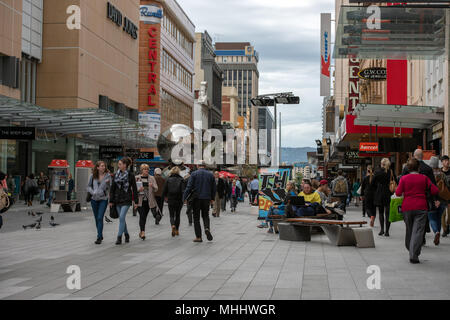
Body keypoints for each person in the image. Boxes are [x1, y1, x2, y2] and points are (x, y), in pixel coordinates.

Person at [396, 158, 439, 263]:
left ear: (408, 168)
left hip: (407, 207)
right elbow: (435, 190)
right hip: (421, 207)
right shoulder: (424, 178)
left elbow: (397, 193)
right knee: (418, 231)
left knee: (409, 230)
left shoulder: (404, 178)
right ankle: (414, 254)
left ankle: (410, 248)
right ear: (419, 168)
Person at [402, 149, 437, 245]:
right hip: (424, 198)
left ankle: (412, 242)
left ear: (414, 156)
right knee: (422, 219)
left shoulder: (406, 168)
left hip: (409, 200)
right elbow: (433, 185)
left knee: (411, 221)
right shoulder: (428, 169)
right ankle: (422, 237)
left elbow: (400, 184)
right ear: (423, 156)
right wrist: (435, 199)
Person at [183, 161, 216, 243]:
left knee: (196, 217)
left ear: (198, 166)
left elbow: (189, 187)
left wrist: (184, 198)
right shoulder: (210, 175)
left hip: (196, 198)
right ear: (205, 166)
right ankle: (207, 228)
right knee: (205, 215)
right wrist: (212, 198)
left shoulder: (194, 174)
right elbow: (214, 188)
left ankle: (198, 237)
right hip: (206, 198)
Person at [109, 157, 138, 245]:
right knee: (122, 219)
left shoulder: (130, 175)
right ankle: (126, 234)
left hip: (126, 199)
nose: (119, 165)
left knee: (121, 217)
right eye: (119, 164)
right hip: (117, 199)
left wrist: (136, 202)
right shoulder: (115, 175)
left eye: (120, 164)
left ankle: (119, 237)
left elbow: (134, 188)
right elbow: (112, 188)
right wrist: (111, 201)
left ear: (125, 165)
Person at [87, 161, 111, 245]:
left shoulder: (108, 176)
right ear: (97, 167)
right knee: (96, 218)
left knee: (100, 217)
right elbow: (88, 186)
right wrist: (92, 192)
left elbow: (110, 187)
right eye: (101, 166)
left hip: (103, 199)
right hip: (94, 199)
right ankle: (100, 234)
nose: (103, 167)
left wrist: (108, 184)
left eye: (104, 166)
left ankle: (99, 236)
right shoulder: (92, 176)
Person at [372, 158, 395, 237]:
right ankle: (387, 231)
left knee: (381, 212)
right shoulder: (390, 172)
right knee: (388, 213)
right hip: (388, 193)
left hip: (379, 192)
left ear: (381, 163)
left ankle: (382, 230)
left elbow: (373, 183)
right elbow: (395, 180)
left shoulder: (377, 172)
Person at [135, 164, 159, 240]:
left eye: (147, 169)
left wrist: (152, 186)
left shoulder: (152, 178)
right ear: (141, 170)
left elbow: (156, 189)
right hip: (140, 201)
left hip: (149, 201)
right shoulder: (137, 178)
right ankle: (143, 232)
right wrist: (139, 190)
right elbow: (133, 189)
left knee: (144, 217)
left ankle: (141, 231)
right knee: (142, 216)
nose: (146, 171)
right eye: (144, 169)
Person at [428, 156, 448, 245]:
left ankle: (436, 232)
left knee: (432, 218)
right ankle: (438, 235)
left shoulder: (428, 174)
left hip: (431, 200)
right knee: (439, 218)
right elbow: (447, 185)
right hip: (442, 200)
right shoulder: (442, 174)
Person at [162, 166, 185, 237]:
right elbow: (183, 190)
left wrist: (164, 197)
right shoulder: (181, 179)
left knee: (171, 214)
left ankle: (172, 225)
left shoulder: (168, 179)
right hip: (179, 199)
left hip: (171, 199)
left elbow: (165, 189)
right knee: (177, 215)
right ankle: (177, 230)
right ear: (178, 172)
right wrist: (184, 199)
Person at [441, 155, 450, 237]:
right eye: (445, 160)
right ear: (442, 162)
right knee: (442, 214)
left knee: (449, 214)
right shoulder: (440, 173)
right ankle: (444, 230)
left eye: (448, 160)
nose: (447, 162)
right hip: (442, 196)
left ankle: (448, 225)